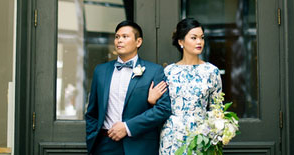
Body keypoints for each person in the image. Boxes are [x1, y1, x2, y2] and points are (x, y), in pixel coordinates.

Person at [85, 20, 171, 154]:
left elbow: (163, 109)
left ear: (138, 42)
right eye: (117, 37)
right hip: (104, 145)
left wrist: (127, 127)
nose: (119, 40)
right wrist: (92, 139)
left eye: (125, 37)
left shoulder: (154, 71)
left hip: (139, 146)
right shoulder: (100, 71)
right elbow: (92, 112)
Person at [151, 18, 222, 155]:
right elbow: (161, 107)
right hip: (172, 136)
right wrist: (152, 100)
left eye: (201, 38)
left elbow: (216, 109)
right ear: (181, 42)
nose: (199, 42)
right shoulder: (168, 72)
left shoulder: (212, 71)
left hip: (201, 137)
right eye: (193, 38)